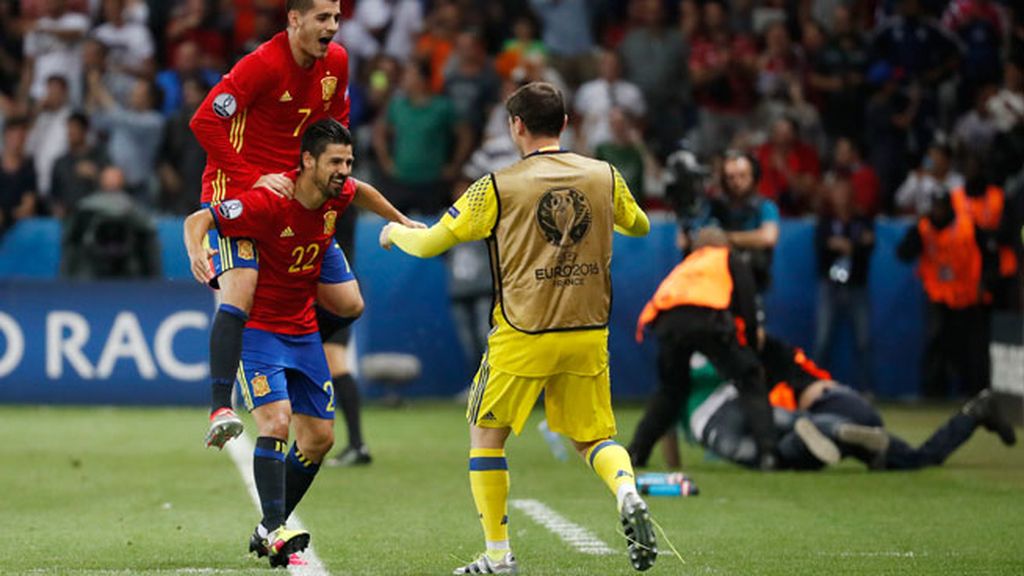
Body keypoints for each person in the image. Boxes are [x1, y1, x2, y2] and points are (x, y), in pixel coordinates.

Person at [380, 82, 657, 574]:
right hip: (587, 329)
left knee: (486, 437)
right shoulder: (603, 175)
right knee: (592, 438)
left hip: (524, 332)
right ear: (566, 124)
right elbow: (640, 227)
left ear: (517, 127)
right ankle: (628, 490)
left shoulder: (497, 186)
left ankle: (497, 556)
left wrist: (392, 232)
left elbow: (428, 246)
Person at [189, 0, 415, 449]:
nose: (332, 27)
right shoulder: (261, 66)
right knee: (243, 286)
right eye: (322, 18)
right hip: (238, 191)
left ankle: (289, 353)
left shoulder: (339, 62)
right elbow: (204, 122)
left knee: (349, 303)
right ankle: (221, 405)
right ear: (294, 20)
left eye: (336, 17)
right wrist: (253, 176)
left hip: (296, 196)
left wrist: (326, 174)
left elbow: (337, 126)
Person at [183, 119, 356, 568]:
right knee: (276, 422)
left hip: (303, 331)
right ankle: (278, 527)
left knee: (319, 438)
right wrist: (196, 249)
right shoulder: (267, 199)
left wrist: (400, 222)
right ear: (307, 161)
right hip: (260, 331)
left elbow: (367, 192)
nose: (345, 169)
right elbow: (200, 217)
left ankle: (267, 526)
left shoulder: (336, 198)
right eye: (336, 161)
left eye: (348, 161)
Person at [629, 227, 778, 471]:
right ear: (724, 245)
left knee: (670, 390)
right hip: (708, 321)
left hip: (668, 324)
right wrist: (750, 350)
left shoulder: (686, 265)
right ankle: (768, 453)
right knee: (750, 377)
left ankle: (637, 451)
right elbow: (748, 308)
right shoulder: (728, 259)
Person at [897, 191, 997, 398]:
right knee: (936, 344)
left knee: (968, 347)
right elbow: (904, 253)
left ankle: (972, 391)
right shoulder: (924, 227)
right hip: (938, 295)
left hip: (966, 296)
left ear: (949, 207)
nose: (938, 211)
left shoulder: (967, 225)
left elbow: (989, 254)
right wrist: (915, 234)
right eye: (935, 207)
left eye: (941, 207)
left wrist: (985, 282)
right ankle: (933, 393)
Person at [691, 151, 780, 293]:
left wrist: (726, 238)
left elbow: (768, 237)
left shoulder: (765, 206)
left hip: (752, 278)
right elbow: (698, 237)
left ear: (754, 177)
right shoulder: (715, 207)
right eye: (730, 178)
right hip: (717, 280)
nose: (736, 182)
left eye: (743, 176)